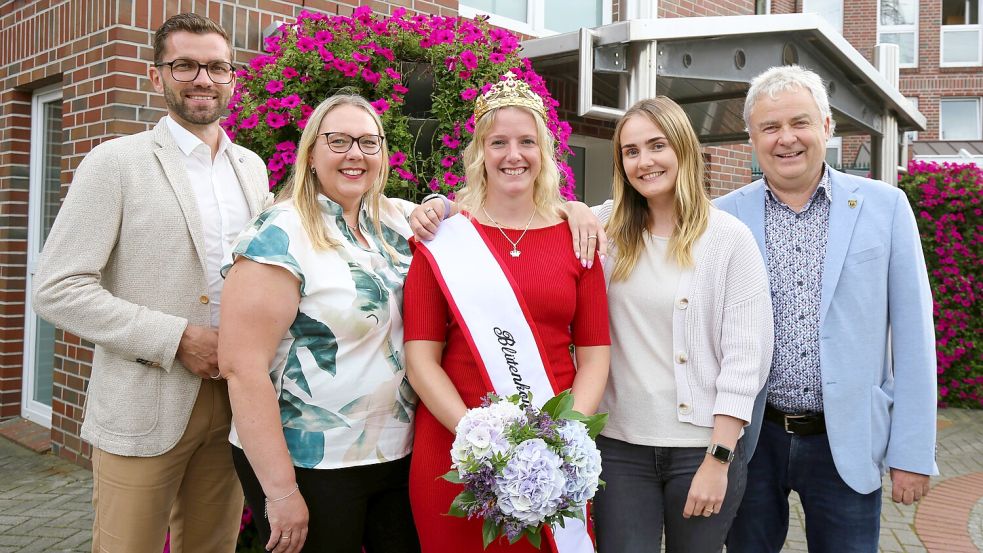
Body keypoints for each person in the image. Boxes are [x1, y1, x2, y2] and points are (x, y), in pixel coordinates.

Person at [31, 13, 269, 553]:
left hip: (234, 400)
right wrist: (176, 338)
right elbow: (57, 287)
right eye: (184, 65)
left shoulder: (251, 169)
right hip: (144, 403)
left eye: (216, 67)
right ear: (156, 76)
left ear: (233, 78)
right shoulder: (115, 163)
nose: (202, 79)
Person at [719, 65, 938, 553]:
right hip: (753, 440)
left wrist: (913, 451)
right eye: (770, 127)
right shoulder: (723, 215)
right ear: (752, 137)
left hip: (848, 442)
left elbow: (914, 337)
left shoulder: (887, 208)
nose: (786, 139)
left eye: (799, 122)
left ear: (827, 127)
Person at [403, 72, 611, 552]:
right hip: (456, 453)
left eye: (526, 142)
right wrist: (481, 441)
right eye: (498, 142)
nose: (513, 155)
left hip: (553, 452)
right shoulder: (443, 240)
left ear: (545, 153)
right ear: (479, 154)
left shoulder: (578, 238)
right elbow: (421, 361)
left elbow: (596, 357)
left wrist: (560, 442)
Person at [218, 94, 421, 553]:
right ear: (311, 154)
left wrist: (572, 212)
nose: (356, 154)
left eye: (370, 142)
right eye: (339, 140)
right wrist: (282, 492)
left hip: (396, 452)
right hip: (309, 461)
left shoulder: (394, 220)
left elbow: (481, 210)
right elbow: (241, 368)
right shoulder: (279, 234)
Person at [585, 97, 773, 553]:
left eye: (656, 146)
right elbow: (524, 218)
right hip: (620, 448)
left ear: (683, 149)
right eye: (631, 152)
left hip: (701, 451)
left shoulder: (729, 238)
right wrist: (443, 209)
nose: (644, 161)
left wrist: (719, 458)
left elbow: (747, 360)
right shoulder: (604, 227)